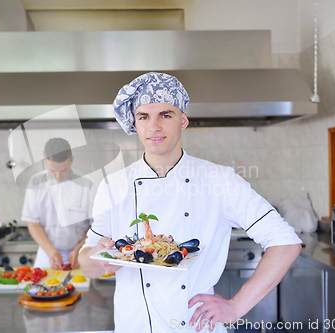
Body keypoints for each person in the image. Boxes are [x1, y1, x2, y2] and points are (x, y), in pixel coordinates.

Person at [79, 72, 302, 333]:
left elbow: (285, 243)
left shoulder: (219, 179)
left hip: (195, 327)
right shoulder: (112, 185)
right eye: (143, 117)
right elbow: (87, 263)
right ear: (135, 124)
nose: (154, 127)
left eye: (165, 115)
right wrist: (98, 260)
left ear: (182, 120)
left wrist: (235, 306)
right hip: (134, 326)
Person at [21, 138, 95, 269]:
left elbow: (95, 225)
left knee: (81, 288)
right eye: (53, 171)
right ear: (44, 161)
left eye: (63, 170)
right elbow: (33, 223)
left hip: (81, 252)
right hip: (47, 253)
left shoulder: (88, 184)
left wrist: (79, 249)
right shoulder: (36, 182)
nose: (58, 176)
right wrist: (51, 251)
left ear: (72, 160)